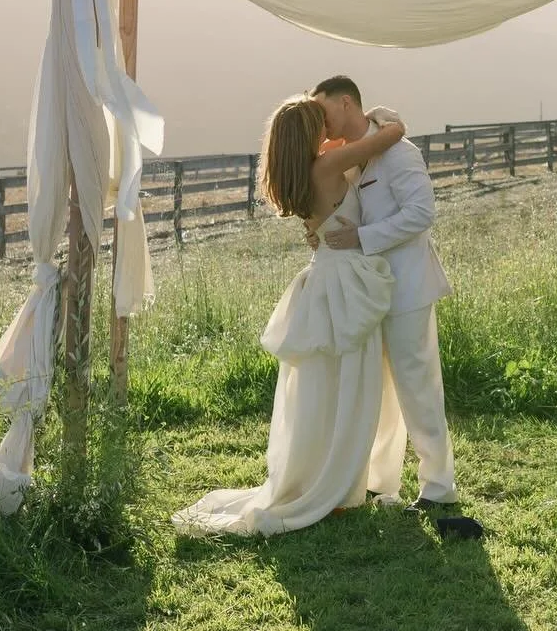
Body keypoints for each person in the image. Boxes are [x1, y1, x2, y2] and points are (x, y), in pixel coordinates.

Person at [172, 96, 405, 535]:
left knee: (322, 387)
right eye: (321, 123)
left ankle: (323, 474)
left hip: (325, 278)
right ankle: (337, 482)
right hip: (345, 282)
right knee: (352, 381)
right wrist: (380, 116)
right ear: (312, 134)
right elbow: (392, 135)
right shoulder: (329, 163)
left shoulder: (303, 171)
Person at [311, 76, 458, 509]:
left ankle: (438, 488)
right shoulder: (349, 156)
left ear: (345, 103)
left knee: (418, 386)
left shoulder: (399, 152)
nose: (320, 121)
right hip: (370, 290)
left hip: (408, 286)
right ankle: (381, 481)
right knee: (383, 392)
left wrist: (361, 237)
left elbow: (421, 214)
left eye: (323, 111)